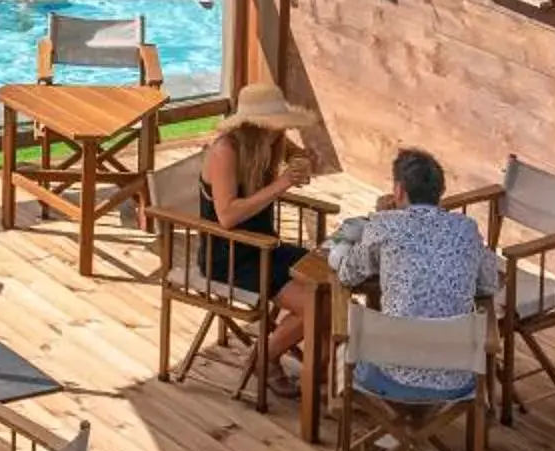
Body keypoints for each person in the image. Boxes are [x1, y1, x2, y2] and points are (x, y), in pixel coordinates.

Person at [323, 145, 501, 403]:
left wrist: (381, 225)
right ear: (441, 191)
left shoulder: (384, 225)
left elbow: (347, 275)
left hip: (390, 376)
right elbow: (490, 284)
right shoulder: (466, 229)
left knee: (346, 346)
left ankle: (369, 417)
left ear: (398, 190)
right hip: (457, 379)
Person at [197, 81, 323, 386]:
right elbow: (227, 216)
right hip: (230, 256)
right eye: (274, 125)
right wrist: (281, 184)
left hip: (266, 246)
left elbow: (307, 161)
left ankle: (319, 368)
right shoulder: (225, 151)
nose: (279, 131)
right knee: (317, 306)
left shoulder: (272, 140)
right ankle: (265, 358)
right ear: (253, 126)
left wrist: (306, 161)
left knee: (332, 284)